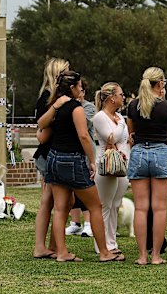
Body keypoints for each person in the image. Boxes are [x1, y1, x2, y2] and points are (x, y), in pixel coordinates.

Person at [45, 70, 124, 262]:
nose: (82, 90)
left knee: (61, 207)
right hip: (73, 159)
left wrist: (54, 107)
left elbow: (41, 124)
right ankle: (104, 252)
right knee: (95, 206)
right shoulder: (76, 108)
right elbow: (83, 136)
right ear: (72, 88)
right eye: (80, 87)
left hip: (54, 157)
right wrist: (91, 160)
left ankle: (61, 252)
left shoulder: (56, 107)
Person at [127, 66, 167, 265]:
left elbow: (131, 134)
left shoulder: (133, 106)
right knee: (159, 208)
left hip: (139, 152)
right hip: (160, 152)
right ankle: (156, 255)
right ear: (160, 84)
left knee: (140, 208)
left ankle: (141, 256)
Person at [32, 57, 69, 259]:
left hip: (49, 153)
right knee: (52, 201)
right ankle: (45, 246)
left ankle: (49, 245)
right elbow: (43, 130)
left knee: (52, 201)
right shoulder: (49, 98)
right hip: (49, 154)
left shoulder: (49, 96)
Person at [92, 82, 129, 254]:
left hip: (121, 165)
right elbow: (111, 137)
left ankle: (112, 242)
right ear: (112, 98)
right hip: (107, 165)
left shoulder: (118, 116)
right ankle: (102, 245)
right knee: (104, 205)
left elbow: (124, 138)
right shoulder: (101, 117)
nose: (124, 97)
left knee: (115, 204)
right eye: (121, 95)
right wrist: (121, 123)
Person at [65, 78, 94, 238]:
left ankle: (88, 224)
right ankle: (75, 223)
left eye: (82, 90)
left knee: (85, 188)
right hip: (70, 151)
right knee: (71, 190)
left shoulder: (88, 108)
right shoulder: (68, 106)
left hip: (84, 152)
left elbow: (85, 127)